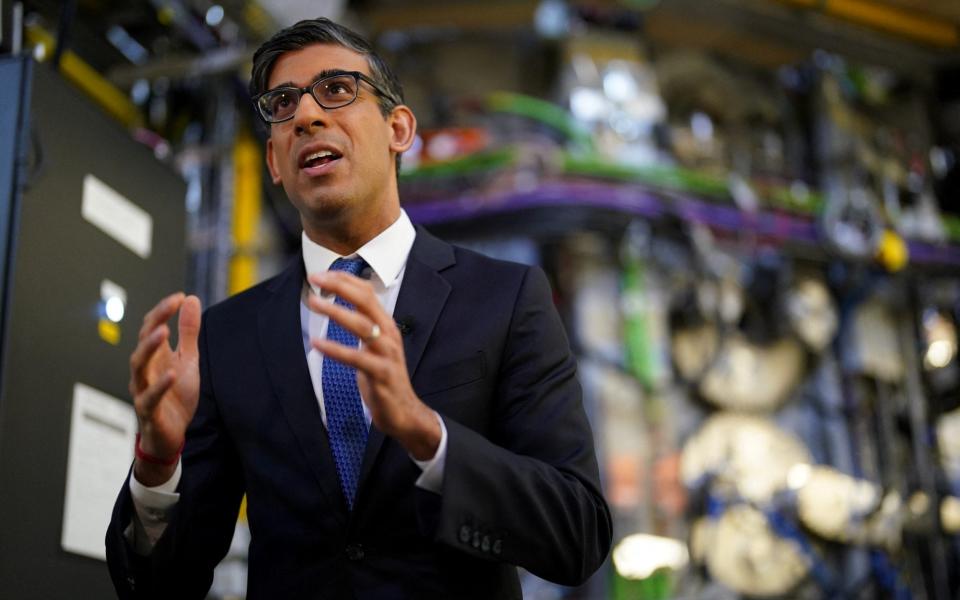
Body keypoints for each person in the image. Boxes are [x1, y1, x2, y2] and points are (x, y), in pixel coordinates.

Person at [106, 17, 611, 599]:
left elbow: (579, 535)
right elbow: (158, 588)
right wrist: (156, 466)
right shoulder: (228, 337)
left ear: (399, 129)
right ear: (274, 161)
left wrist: (428, 436)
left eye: (337, 90)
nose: (306, 116)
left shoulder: (505, 299)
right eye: (283, 104)